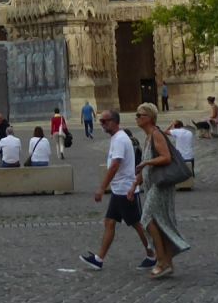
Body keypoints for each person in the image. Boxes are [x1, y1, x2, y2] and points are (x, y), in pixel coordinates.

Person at [80, 108, 157, 272]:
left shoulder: (120, 140)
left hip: (125, 189)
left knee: (137, 224)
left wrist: (101, 188)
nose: (101, 124)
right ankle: (99, 259)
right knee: (109, 222)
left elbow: (115, 165)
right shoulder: (117, 138)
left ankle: (153, 254)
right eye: (100, 121)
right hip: (119, 189)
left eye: (104, 121)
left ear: (114, 122)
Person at [133, 103, 192, 279]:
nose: (136, 118)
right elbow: (145, 166)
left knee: (147, 219)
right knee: (158, 222)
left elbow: (165, 157)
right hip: (152, 186)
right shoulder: (147, 137)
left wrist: (147, 163)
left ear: (149, 118)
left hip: (161, 186)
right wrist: (134, 185)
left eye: (139, 115)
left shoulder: (157, 134)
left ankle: (161, 260)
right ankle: (167, 261)